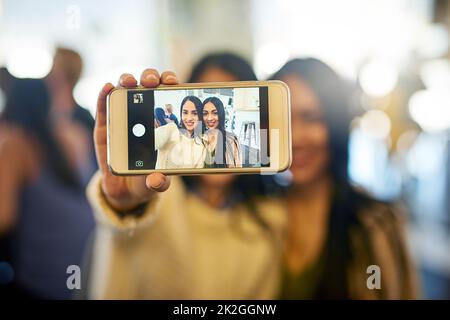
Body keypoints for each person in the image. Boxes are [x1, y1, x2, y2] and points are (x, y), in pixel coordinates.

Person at [86, 54, 285, 299]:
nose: (209, 117)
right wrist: (124, 205)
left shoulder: (267, 223)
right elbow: (120, 230)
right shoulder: (163, 196)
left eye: (215, 111)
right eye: (204, 112)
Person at [271, 58, 419, 299]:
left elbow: (385, 289)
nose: (295, 138)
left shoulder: (375, 225)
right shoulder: (254, 215)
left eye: (311, 118)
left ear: (335, 124)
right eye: (282, 119)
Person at [0, 79, 95, 299]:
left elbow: (4, 218)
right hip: (86, 260)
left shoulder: (15, 144)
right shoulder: (71, 135)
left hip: (47, 274)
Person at [45, 47, 97, 181]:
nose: (49, 73)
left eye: (54, 65)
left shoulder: (84, 118)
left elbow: (89, 173)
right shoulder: (40, 110)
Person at [154, 96, 207, 169]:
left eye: (194, 113)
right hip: (160, 179)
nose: (189, 118)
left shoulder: (201, 144)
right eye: (185, 112)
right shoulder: (171, 129)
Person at [202, 96, 242, 168]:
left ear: (221, 114)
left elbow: (237, 171)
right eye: (205, 113)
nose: (209, 118)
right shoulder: (199, 139)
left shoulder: (231, 140)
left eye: (215, 113)